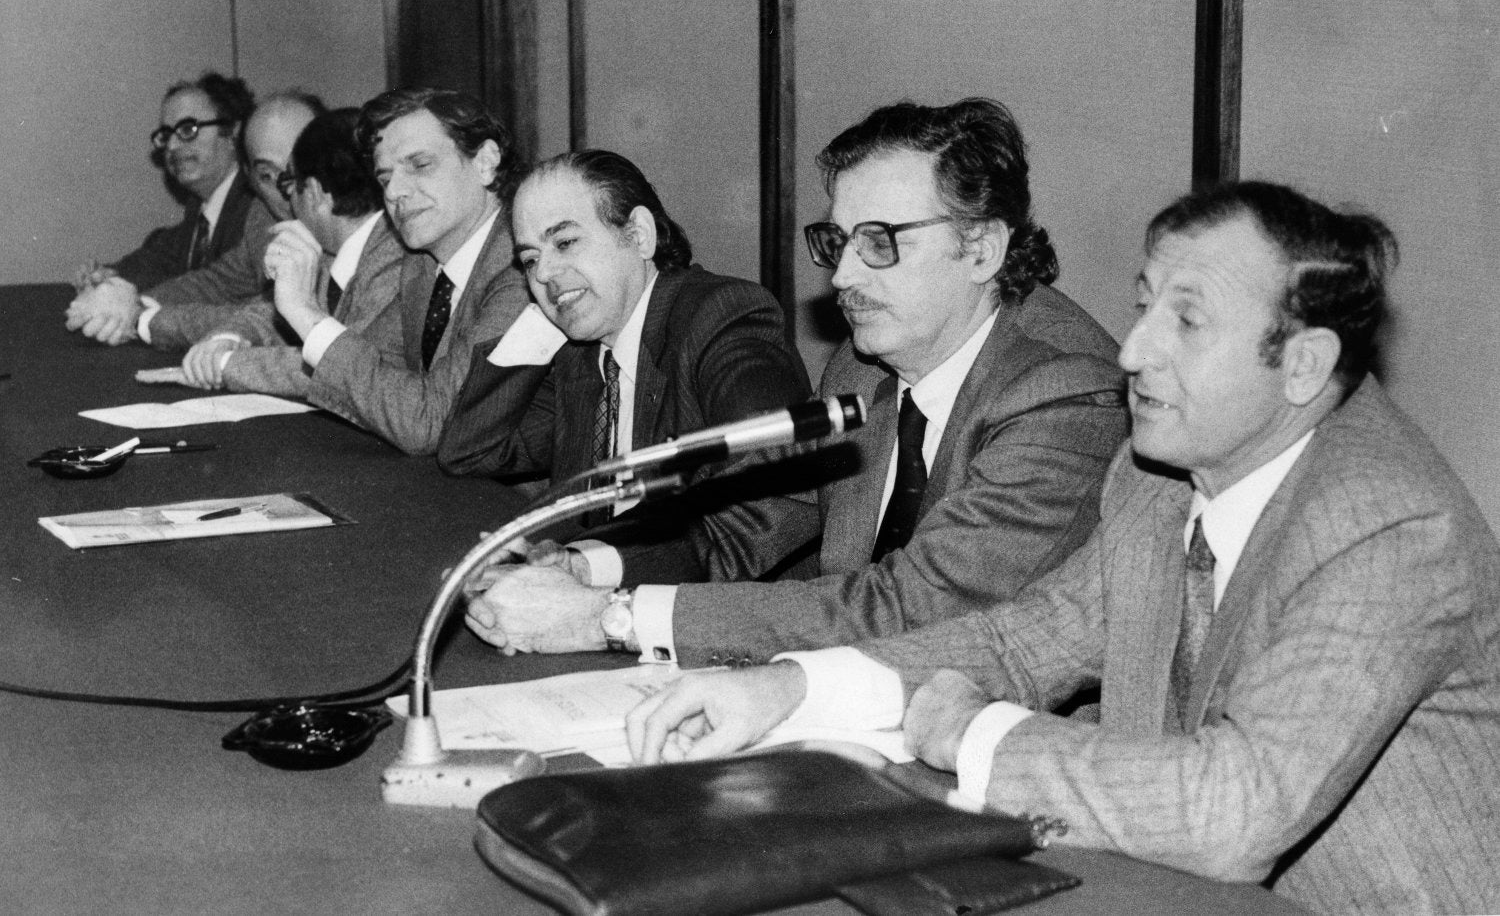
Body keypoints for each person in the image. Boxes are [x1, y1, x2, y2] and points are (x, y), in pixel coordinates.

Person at [626, 181, 1500, 915]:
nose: (1132, 351)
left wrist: (979, 736)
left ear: (1304, 366)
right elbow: (1026, 639)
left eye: (1185, 323)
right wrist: (788, 687)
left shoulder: (1388, 527)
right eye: (1143, 304)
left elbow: (1236, 812)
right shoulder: (1160, 473)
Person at [461, 99, 1126, 664]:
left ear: (982, 249)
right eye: (838, 244)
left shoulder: (1065, 394)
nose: (842, 278)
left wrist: (610, 618)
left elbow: (913, 610)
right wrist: (586, 568)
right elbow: (751, 526)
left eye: (881, 243)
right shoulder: (864, 366)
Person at [438, 149, 813, 585]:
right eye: (530, 260)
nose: (544, 274)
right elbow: (470, 450)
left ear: (638, 235)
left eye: (565, 243)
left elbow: (769, 504)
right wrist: (549, 312)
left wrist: (586, 565)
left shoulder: (721, 318)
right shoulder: (581, 355)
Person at [259, 87, 529, 455]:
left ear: (485, 162)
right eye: (385, 178)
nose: (395, 192)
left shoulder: (521, 266)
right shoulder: (421, 261)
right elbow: (371, 370)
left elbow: (429, 424)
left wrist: (303, 311)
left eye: (420, 165)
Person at [175, 107, 405, 399]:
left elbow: (347, 367)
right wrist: (227, 338)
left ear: (313, 192)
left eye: (289, 185)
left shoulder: (396, 256)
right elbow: (272, 311)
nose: (287, 202)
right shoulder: (335, 251)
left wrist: (225, 364)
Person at [65, 72, 267, 344]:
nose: (171, 146)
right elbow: (159, 257)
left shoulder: (260, 208)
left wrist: (134, 309)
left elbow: (230, 296)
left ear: (233, 132)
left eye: (187, 130)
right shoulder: (199, 210)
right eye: (166, 134)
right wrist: (108, 279)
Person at [132, 91, 326, 351]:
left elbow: (287, 319)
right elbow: (215, 283)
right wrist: (136, 305)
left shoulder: (367, 225)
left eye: (303, 168)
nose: (290, 188)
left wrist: (142, 319)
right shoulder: (264, 215)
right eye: (268, 175)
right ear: (251, 179)